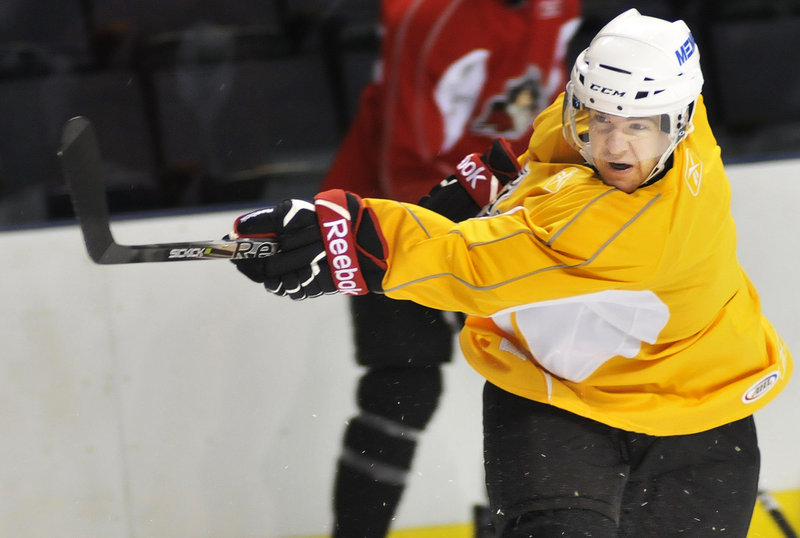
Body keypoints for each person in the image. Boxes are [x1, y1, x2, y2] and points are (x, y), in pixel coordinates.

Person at [229, 8, 793, 537]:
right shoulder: (634, 109)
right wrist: (490, 183)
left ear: (681, 120)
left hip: (697, 414)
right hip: (558, 405)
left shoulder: (633, 227)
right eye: (598, 119)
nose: (614, 146)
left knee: (404, 380)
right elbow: (545, 151)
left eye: (638, 127)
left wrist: (346, 235)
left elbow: (470, 265)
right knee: (403, 384)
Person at [316, 1, 580, 536]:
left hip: (503, 211)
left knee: (539, 383)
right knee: (402, 389)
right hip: (394, 213)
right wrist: (487, 239)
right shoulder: (432, 16)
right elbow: (405, 165)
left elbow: (554, 118)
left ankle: (517, 525)